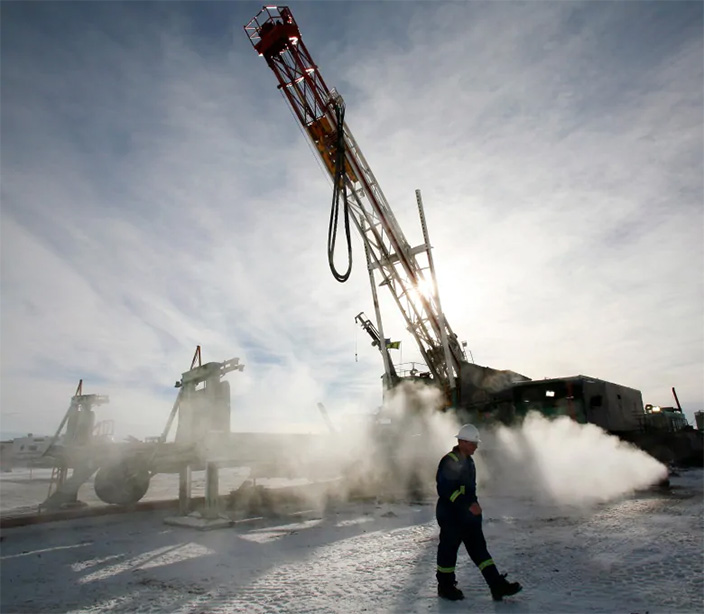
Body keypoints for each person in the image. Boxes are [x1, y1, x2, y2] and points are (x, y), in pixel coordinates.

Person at [435, 423, 522, 602]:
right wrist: (467, 504)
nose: (476, 446)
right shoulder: (450, 460)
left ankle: (496, 585)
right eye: (473, 443)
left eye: (476, 443)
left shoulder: (469, 461)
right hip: (451, 515)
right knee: (448, 550)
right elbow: (445, 489)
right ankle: (445, 586)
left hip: (468, 516)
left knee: (480, 550)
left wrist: (474, 507)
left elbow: (469, 489)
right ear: (462, 442)